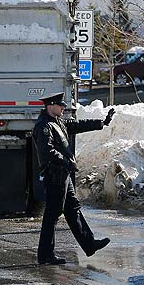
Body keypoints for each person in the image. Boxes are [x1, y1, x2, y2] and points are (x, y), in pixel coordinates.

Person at [32, 92, 115, 265]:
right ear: (50, 106)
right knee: (52, 214)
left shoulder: (58, 122)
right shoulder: (43, 126)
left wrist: (102, 123)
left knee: (73, 209)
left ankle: (89, 244)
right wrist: (66, 162)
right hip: (55, 175)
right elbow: (47, 152)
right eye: (60, 105)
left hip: (63, 175)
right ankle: (45, 255)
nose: (63, 108)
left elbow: (76, 125)